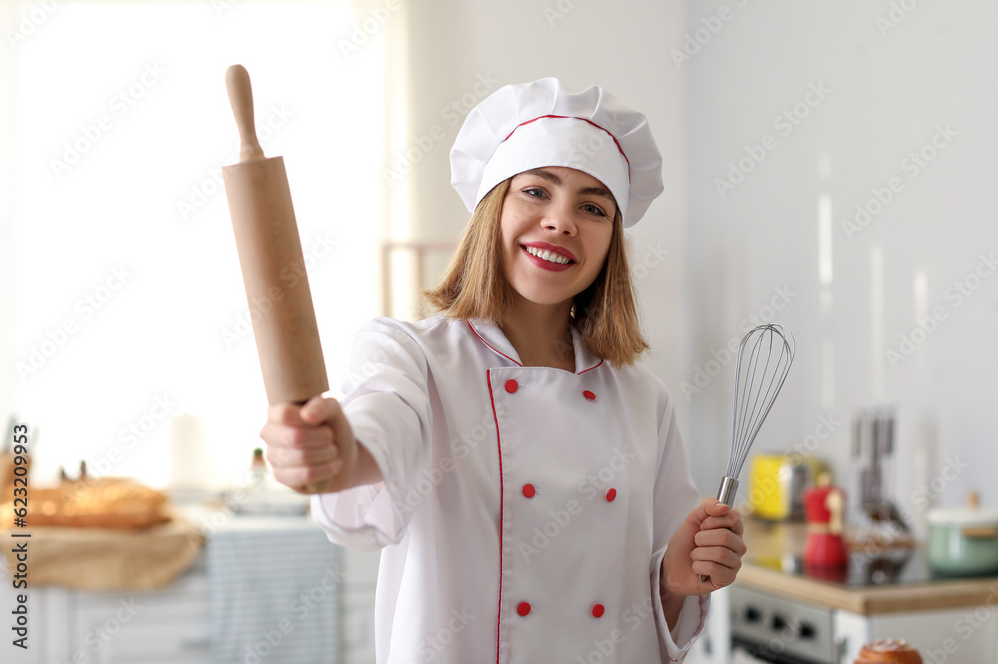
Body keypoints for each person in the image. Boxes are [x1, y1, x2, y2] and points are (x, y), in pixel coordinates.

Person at [260, 77, 746, 663]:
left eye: (592, 207)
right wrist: (338, 449)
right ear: (493, 211)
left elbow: (655, 607)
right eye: (536, 191)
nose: (562, 221)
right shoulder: (413, 358)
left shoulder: (644, 399)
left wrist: (677, 575)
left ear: (610, 244)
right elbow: (379, 430)